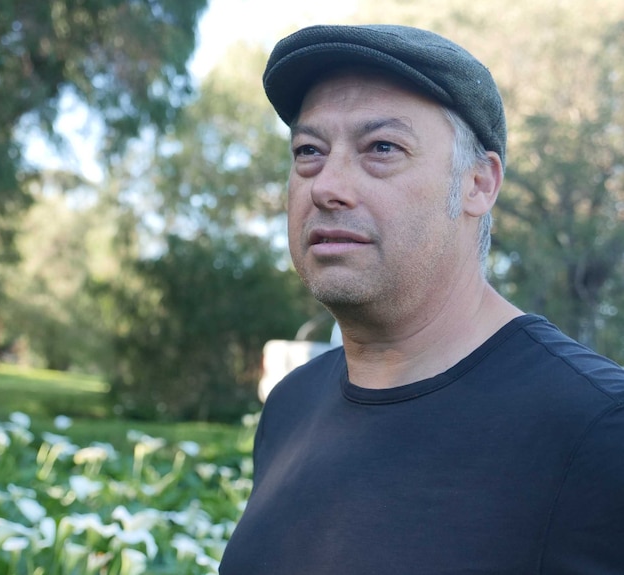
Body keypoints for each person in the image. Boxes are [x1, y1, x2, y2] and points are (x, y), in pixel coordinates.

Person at [219, 24, 624, 574]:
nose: (325, 185)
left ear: (479, 183)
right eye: (309, 151)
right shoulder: (291, 405)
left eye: (382, 148)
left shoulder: (599, 429)